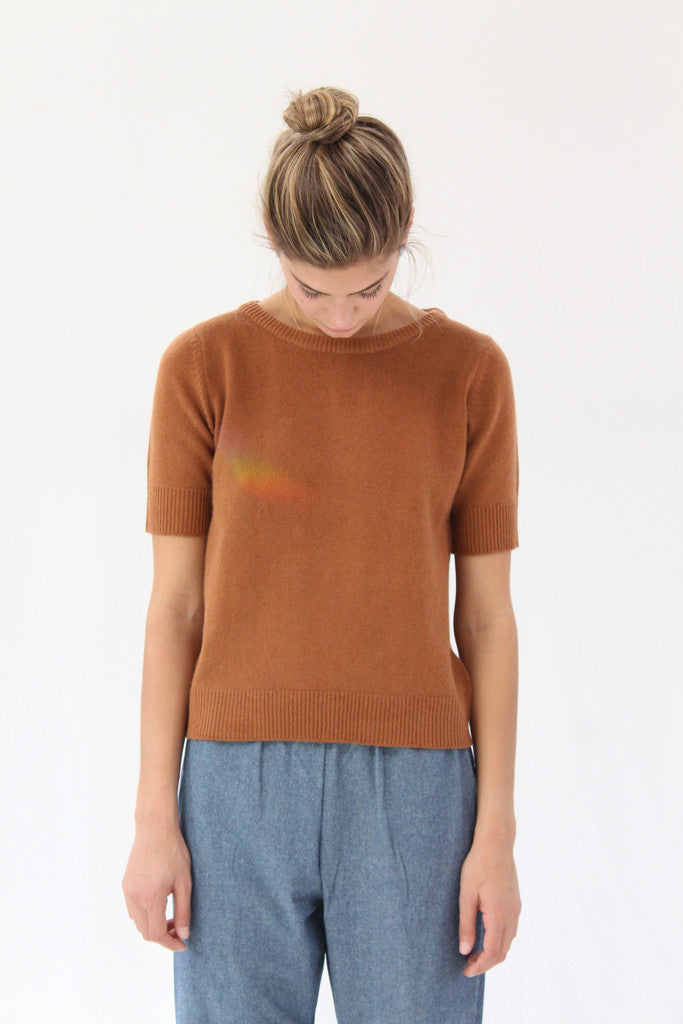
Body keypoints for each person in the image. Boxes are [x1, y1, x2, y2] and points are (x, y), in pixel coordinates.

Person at [122, 84, 522, 1024]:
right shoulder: (203, 369)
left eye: (368, 289)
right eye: (313, 290)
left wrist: (495, 832)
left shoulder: (468, 374)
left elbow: (486, 618)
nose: (342, 319)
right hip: (234, 787)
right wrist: (153, 818)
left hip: (417, 791)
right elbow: (175, 607)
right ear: (272, 241)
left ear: (404, 237)